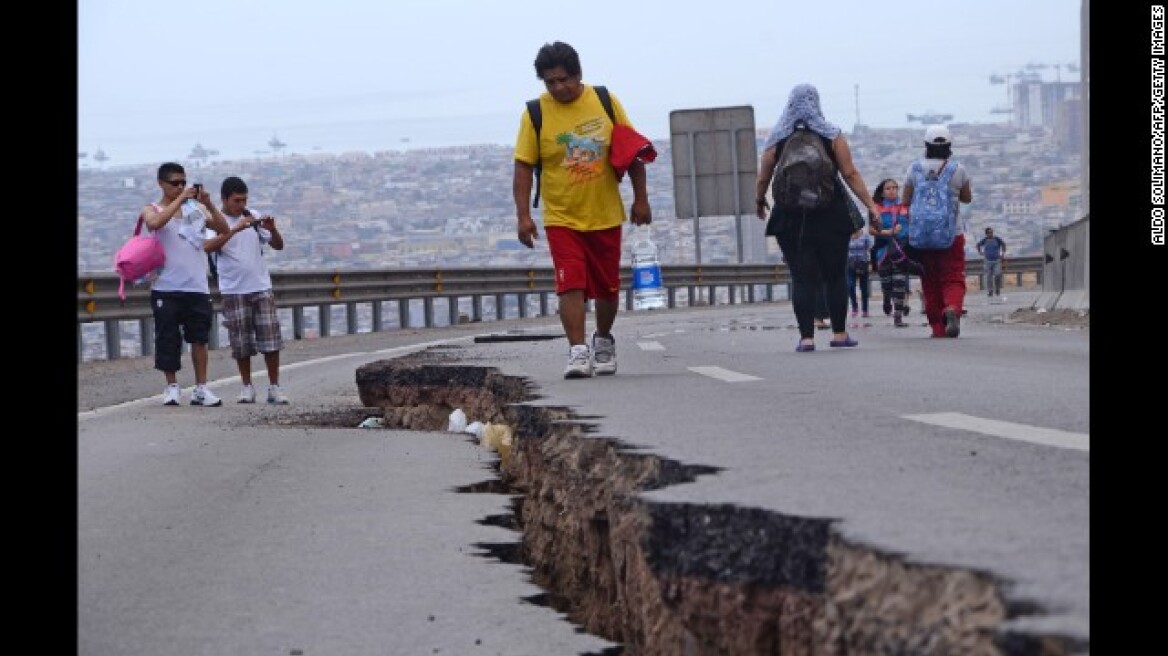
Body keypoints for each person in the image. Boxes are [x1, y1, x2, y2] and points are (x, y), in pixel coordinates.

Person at [512, 41, 652, 378]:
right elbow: (523, 166)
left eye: (564, 80)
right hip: (561, 216)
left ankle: (603, 339)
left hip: (604, 213)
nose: (558, 88)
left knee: (607, 287)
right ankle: (577, 350)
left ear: (578, 75)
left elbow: (631, 150)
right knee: (570, 281)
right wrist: (523, 216)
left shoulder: (604, 101)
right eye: (550, 82)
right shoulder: (536, 113)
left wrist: (641, 198)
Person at [755, 84, 879, 352]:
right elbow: (850, 173)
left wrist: (759, 200)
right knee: (834, 275)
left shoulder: (778, 137)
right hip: (830, 215)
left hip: (791, 218)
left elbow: (764, 174)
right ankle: (839, 333)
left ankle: (806, 338)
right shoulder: (832, 135)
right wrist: (870, 204)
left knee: (802, 278)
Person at [142, 162, 231, 406]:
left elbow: (224, 229)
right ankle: (171, 386)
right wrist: (180, 199)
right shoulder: (152, 208)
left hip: (196, 285)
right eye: (174, 183)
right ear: (161, 183)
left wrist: (208, 203)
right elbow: (155, 223)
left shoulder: (196, 210)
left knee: (199, 339)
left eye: (183, 183)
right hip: (165, 286)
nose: (180, 187)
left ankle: (201, 388)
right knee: (168, 339)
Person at [204, 176, 290, 404]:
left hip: (260, 285)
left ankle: (274, 386)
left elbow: (278, 245)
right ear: (224, 199)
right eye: (236, 201)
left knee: (270, 339)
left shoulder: (251, 216)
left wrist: (273, 230)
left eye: (244, 200)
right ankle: (246, 386)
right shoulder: (215, 221)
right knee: (241, 342)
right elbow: (208, 247)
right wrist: (234, 230)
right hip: (233, 289)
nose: (241, 205)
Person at [902, 126, 973, 338]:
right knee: (953, 277)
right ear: (949, 146)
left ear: (926, 145)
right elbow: (967, 198)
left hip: (922, 236)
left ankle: (937, 327)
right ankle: (951, 307)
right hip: (952, 233)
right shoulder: (958, 169)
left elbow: (905, 200)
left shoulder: (913, 169)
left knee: (929, 280)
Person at [870, 179, 919, 328]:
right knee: (887, 283)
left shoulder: (905, 206)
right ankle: (886, 297)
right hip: (883, 250)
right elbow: (872, 230)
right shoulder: (876, 208)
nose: (892, 190)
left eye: (894, 188)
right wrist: (889, 232)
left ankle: (898, 316)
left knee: (899, 282)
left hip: (901, 250)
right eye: (888, 188)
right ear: (882, 192)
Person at [845, 230, 874, 318]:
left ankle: (865, 309)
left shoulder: (865, 235)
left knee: (864, 288)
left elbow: (870, 249)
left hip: (863, 263)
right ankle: (854, 306)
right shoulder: (846, 235)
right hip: (850, 263)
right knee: (850, 286)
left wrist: (870, 263)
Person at [976, 226, 1007, 301]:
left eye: (992, 232)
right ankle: (990, 290)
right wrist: (980, 252)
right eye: (989, 233)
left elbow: (1003, 244)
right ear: (986, 234)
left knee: (997, 274)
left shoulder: (997, 239)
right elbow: (978, 245)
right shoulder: (984, 240)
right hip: (988, 261)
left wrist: (1003, 253)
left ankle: (997, 288)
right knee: (989, 277)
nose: (991, 234)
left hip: (996, 260)